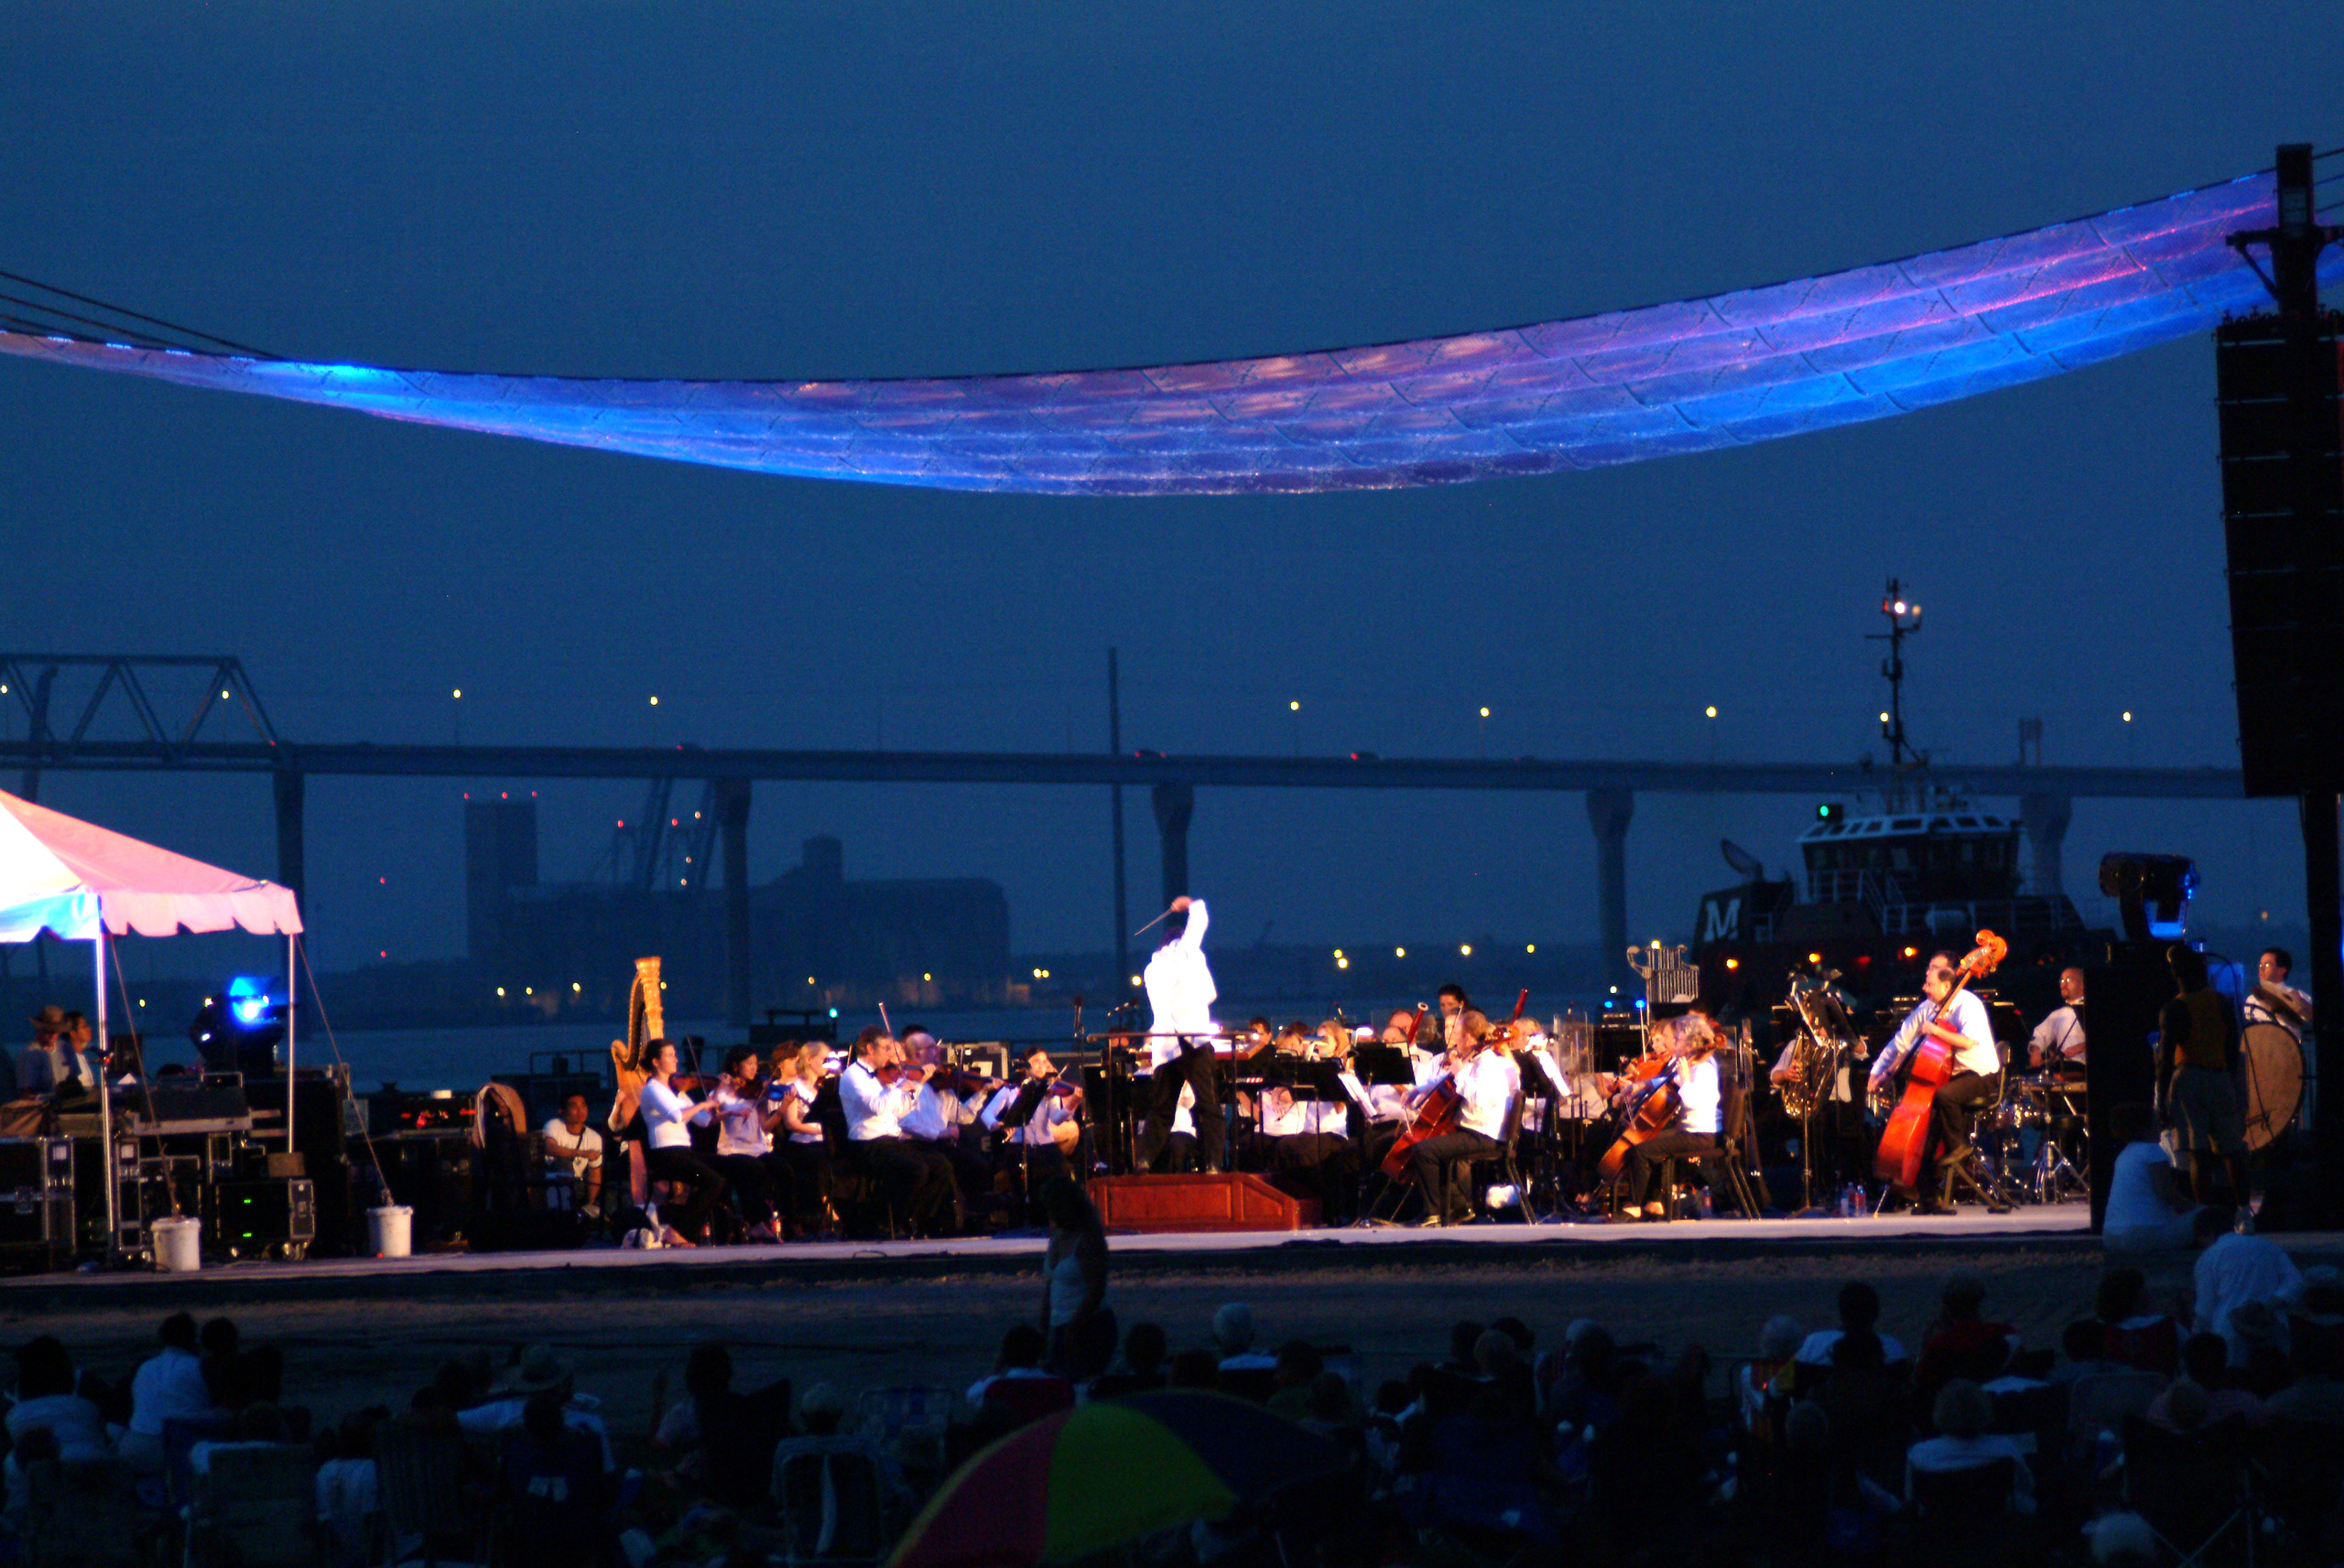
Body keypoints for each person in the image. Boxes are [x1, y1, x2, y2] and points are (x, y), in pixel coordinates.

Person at [1867, 949, 2002, 1213]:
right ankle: (1929, 1199)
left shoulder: (1967, 1003)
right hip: (1950, 1077)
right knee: (1926, 1138)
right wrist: (1880, 1072)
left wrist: (1935, 1029)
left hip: (1980, 1075)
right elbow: (1902, 1043)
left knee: (1945, 1096)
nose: (1924, 985)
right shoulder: (1929, 1008)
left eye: (1930, 981)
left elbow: (1968, 1042)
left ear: (1947, 983)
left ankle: (1959, 1147)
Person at [2156, 944, 2251, 1218]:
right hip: (2220, 1076)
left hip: (2189, 1079)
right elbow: (2233, 1046)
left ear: (2176, 972)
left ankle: (2205, 1216)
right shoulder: (2222, 1002)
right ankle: (2244, 1213)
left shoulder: (2174, 1008)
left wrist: (2163, 1099)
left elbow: (2164, 1059)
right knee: (2231, 1151)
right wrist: (2231, 1081)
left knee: (2199, 1153)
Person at [1402, 1009, 1518, 1227]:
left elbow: (1480, 1102)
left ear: (1467, 1037)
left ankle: (1434, 1213)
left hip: (1483, 1135)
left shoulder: (1489, 1065)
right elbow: (1441, 1079)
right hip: (1469, 1129)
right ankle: (1459, 1209)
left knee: (1425, 1151)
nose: (1454, 1040)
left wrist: (1461, 1073)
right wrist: (1417, 1091)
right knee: (1424, 1144)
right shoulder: (1473, 1059)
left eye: (1457, 1035)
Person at [1138, 894, 1225, 1172]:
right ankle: (1212, 1162)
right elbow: (1199, 922)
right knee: (1209, 1105)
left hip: (1165, 1044)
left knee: (1161, 1108)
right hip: (1194, 1040)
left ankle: (1145, 1158)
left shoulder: (1151, 968)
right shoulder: (1186, 952)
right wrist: (1191, 904)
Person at [839, 1027, 955, 1235]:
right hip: (868, 1145)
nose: (890, 1054)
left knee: (941, 1166)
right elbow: (876, 1107)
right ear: (869, 1049)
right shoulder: (853, 1075)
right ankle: (886, 1220)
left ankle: (920, 1219)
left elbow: (901, 1111)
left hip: (891, 1141)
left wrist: (917, 1085)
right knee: (916, 1169)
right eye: (885, 1049)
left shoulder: (885, 1076)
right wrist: (900, 1088)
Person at [1613, 1013, 1723, 1222]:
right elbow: (1662, 1082)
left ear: (1691, 1044)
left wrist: (1684, 1081)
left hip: (1700, 1134)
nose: (1675, 1043)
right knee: (1650, 1141)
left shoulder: (1704, 1070)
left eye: (1680, 1039)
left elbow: (1694, 1103)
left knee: (1642, 1151)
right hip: (1689, 1131)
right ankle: (1654, 1204)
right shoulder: (1689, 1065)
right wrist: (1640, 1085)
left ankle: (1636, 1205)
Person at [2192, 1204, 2303, 1365]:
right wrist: (2267, 1306)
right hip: (2272, 1329)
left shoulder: (2208, 1257)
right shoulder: (2267, 1246)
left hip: (2230, 1336)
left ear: (2206, 1234)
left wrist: (2195, 1335)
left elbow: (2205, 1311)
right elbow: (2296, 1282)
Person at [639, 1040, 724, 1244]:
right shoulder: (652, 1089)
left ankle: (748, 1225)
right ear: (656, 1062)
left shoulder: (677, 1092)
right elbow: (677, 1116)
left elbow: (705, 1121)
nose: (676, 1059)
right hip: (667, 1156)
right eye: (669, 1055)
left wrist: (723, 1104)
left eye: (675, 1054)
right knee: (711, 1180)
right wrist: (703, 1103)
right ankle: (679, 1231)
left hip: (685, 1154)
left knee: (731, 1167)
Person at [1036, 1175, 1112, 1379]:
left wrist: (1075, 1326)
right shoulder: (1059, 1235)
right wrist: (1045, 1318)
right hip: (1061, 1324)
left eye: (1056, 1209)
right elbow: (1053, 1281)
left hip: (1089, 1325)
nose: (1052, 1215)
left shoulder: (1089, 1238)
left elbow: (1096, 1290)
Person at [2100, 1101, 2197, 1257]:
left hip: (2111, 1236)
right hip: (2142, 1236)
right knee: (2204, 1219)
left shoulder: (2124, 1155)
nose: (2159, 1127)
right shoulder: (2152, 1151)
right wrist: (2197, 1209)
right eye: (2155, 1124)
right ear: (2144, 1128)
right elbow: (2166, 1193)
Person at [121, 1311, 214, 1470]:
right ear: (192, 1338)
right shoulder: (199, 1367)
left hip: (136, 1444)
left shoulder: (145, 1367)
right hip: (175, 1447)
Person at [708, 1045, 784, 1243]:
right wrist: (723, 1089)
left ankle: (790, 1222)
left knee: (784, 1169)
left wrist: (784, 1108)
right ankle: (758, 1223)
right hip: (733, 1150)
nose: (754, 1068)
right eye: (749, 1063)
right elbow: (709, 1118)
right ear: (735, 1066)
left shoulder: (755, 1091)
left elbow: (765, 1126)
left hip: (757, 1149)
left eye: (756, 1064)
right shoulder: (723, 1091)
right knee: (752, 1169)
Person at [773, 1041, 833, 1238]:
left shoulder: (822, 1090)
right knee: (818, 1163)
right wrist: (820, 1130)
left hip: (820, 1143)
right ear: (808, 1060)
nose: (827, 1064)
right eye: (824, 1060)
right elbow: (791, 1123)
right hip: (801, 1145)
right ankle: (813, 1221)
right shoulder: (795, 1087)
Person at [539, 1093, 604, 1219]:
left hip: (576, 1186)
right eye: (574, 1106)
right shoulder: (553, 1125)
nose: (580, 1110)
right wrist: (581, 1153)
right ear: (562, 1111)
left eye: (583, 1105)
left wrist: (589, 1204)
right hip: (551, 1183)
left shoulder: (594, 1138)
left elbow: (595, 1174)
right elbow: (549, 1148)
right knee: (563, 1162)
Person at [2244, 946, 2313, 1041]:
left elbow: (2312, 1020)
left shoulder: (2297, 996)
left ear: (2281, 970)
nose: (2262, 969)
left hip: (2286, 1051)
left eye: (2267, 965)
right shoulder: (2251, 1000)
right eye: (2260, 965)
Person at [2027, 968, 2087, 1072]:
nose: (2064, 984)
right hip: (2064, 1068)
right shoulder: (2059, 1014)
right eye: (2062, 981)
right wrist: (2036, 1051)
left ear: (2082, 984)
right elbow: (2039, 1035)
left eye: (2068, 980)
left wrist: (2081, 1047)